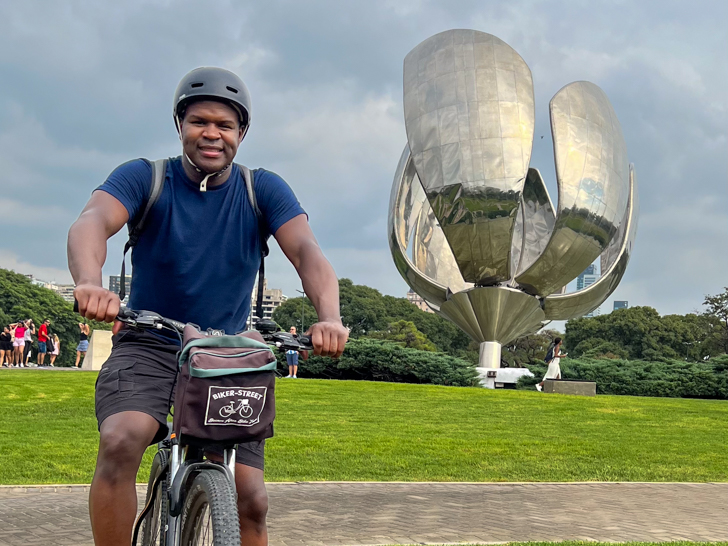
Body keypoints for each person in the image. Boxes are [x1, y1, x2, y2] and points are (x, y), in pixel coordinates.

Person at [67, 66, 349, 546]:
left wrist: (330, 317)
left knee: (251, 499)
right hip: (149, 345)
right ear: (180, 125)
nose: (212, 134)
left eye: (225, 125)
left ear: (242, 133)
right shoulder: (145, 178)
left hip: (227, 358)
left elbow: (306, 251)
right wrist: (91, 284)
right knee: (121, 440)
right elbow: (92, 220)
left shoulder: (262, 189)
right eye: (199, 121)